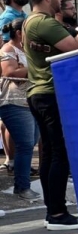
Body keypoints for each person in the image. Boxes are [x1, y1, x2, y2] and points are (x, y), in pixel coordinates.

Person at [23, 0, 78, 230]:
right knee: (59, 154)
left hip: (40, 93)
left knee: (50, 154)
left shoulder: (31, 22)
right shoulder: (42, 22)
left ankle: (53, 210)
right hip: (50, 94)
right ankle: (57, 213)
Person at [0, 18, 39, 200]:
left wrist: (25, 67)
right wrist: (32, 67)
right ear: (19, 33)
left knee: (31, 142)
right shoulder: (8, 50)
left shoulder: (26, 49)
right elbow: (9, 73)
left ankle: (22, 183)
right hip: (14, 102)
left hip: (29, 101)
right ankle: (22, 187)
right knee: (25, 145)